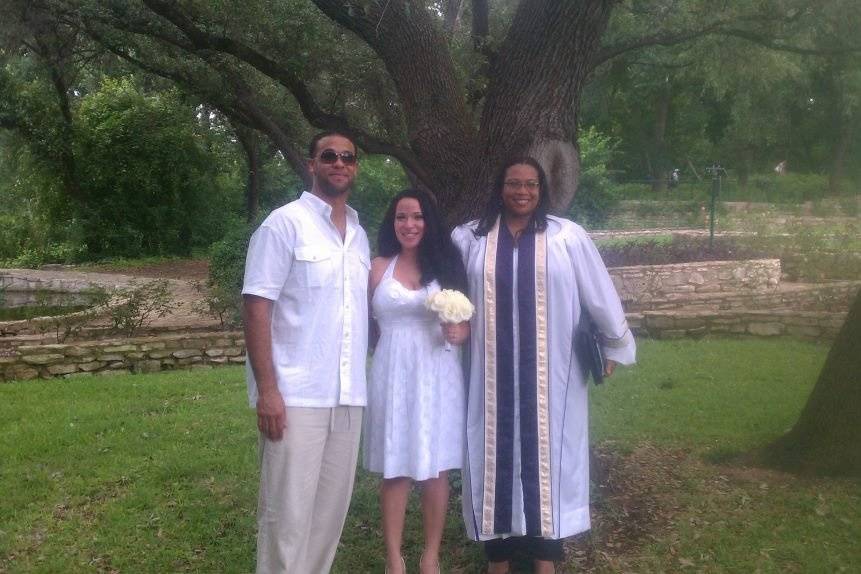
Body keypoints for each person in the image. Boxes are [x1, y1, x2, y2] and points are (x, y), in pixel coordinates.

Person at [452, 157, 636, 574]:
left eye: (531, 185)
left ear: (541, 189)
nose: (522, 192)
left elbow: (599, 294)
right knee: (491, 462)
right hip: (488, 379)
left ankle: (545, 564)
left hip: (551, 378)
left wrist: (613, 345)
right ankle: (497, 563)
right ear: (500, 188)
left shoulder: (566, 237)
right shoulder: (470, 238)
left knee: (548, 465)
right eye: (514, 183)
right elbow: (446, 289)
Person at [242, 131, 370, 573]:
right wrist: (268, 391)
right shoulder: (284, 224)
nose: (339, 163)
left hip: (348, 397)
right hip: (296, 397)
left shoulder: (358, 234)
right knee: (286, 518)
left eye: (348, 157)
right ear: (312, 164)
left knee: (327, 520)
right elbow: (257, 307)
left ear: (355, 167)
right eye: (329, 156)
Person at [363, 189, 469, 574]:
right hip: (392, 372)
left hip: (437, 372)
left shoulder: (448, 267)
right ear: (392, 223)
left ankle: (430, 555)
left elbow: (467, 322)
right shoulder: (377, 267)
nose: (410, 224)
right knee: (396, 467)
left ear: (430, 222)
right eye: (402, 217)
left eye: (418, 217)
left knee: (436, 466)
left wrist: (461, 332)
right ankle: (394, 558)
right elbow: (364, 324)